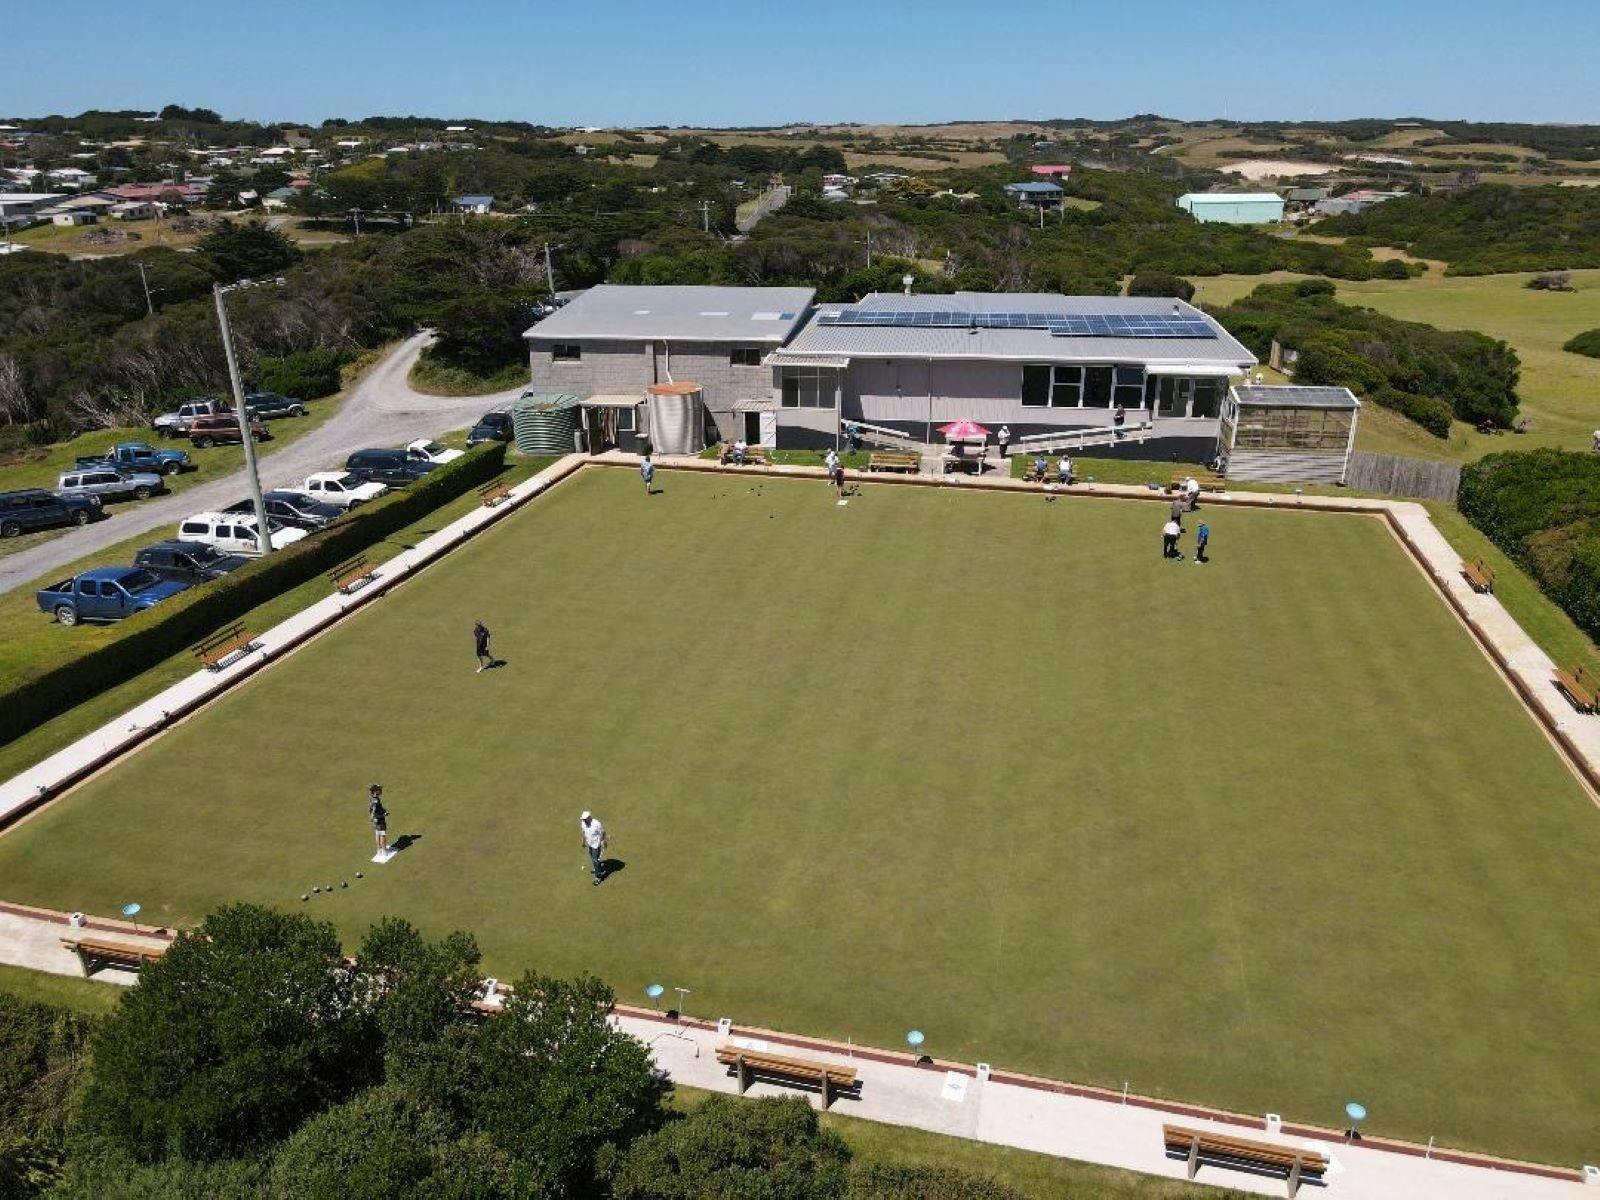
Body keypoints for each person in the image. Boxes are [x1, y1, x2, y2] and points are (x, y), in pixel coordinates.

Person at [580, 810, 607, 885]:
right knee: (593, 858)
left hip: (596, 845)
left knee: (595, 860)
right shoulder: (583, 823)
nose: (584, 820)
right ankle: (597, 868)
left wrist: (604, 842)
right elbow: (583, 832)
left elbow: (603, 832)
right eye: (583, 819)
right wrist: (583, 841)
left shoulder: (596, 824)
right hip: (590, 844)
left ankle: (598, 877)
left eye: (585, 819)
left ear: (589, 818)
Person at [368, 784, 389, 857]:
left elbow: (378, 808)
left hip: (376, 820)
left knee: (377, 834)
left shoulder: (372, 798)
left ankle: (378, 850)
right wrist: (381, 815)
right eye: (379, 789)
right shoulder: (375, 800)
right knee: (382, 835)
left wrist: (384, 811)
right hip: (379, 819)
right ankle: (384, 851)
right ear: (376, 791)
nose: (381, 790)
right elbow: (374, 809)